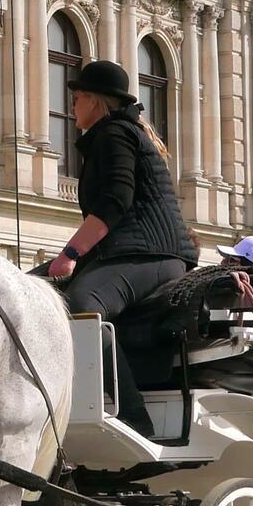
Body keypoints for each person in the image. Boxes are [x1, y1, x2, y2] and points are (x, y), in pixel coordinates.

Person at [48, 58, 197, 316]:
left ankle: (102, 359)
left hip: (149, 256)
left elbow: (115, 199)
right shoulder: (115, 134)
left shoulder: (115, 133)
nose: (72, 105)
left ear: (93, 100)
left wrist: (70, 253)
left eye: (77, 98)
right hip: (131, 254)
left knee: (80, 308)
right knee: (33, 290)